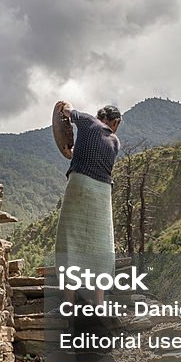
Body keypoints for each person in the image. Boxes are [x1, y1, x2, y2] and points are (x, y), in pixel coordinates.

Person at [53, 101, 121, 307]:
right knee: (101, 244)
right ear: (115, 122)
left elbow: (65, 110)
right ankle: (99, 302)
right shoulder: (115, 142)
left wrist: (67, 105)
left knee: (69, 240)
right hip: (102, 193)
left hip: (80, 184)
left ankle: (69, 302)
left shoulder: (88, 121)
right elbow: (96, 159)